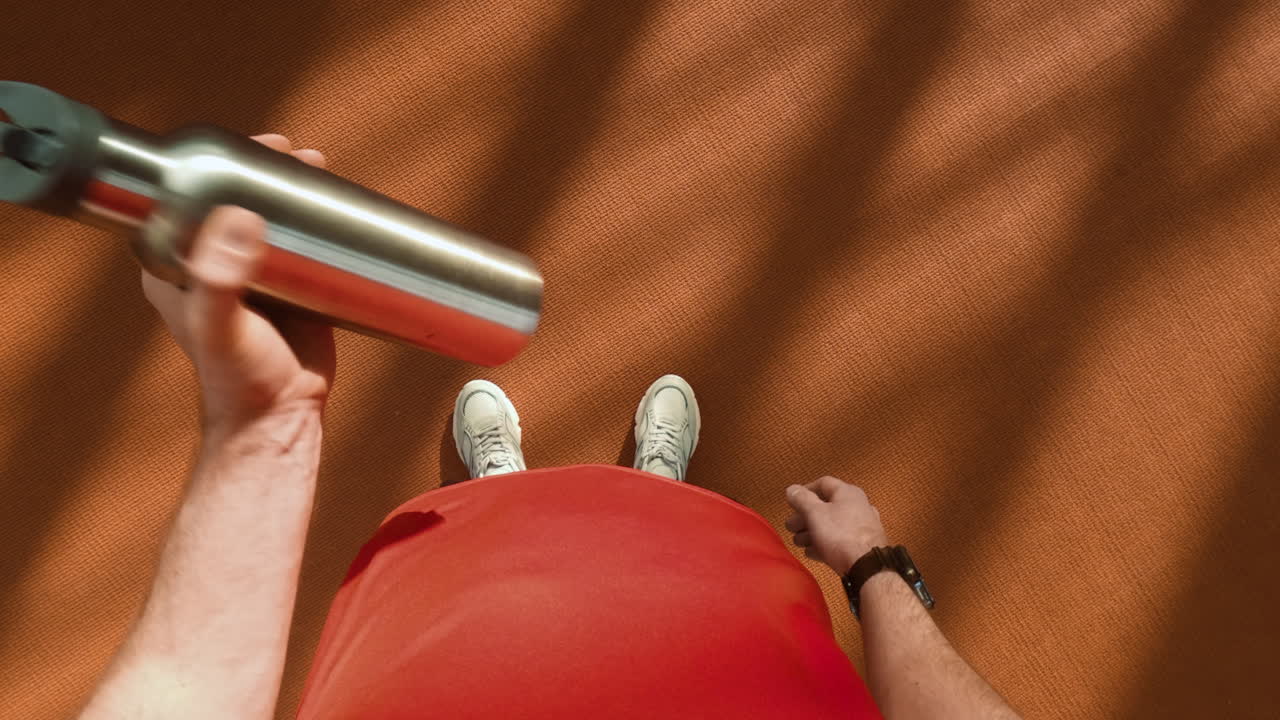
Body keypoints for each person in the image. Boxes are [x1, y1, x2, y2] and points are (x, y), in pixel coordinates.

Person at [77, 135, 1020, 720]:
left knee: (477, 570)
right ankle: (654, 495)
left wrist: (263, 432)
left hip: (444, 649)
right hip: (722, 638)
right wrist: (869, 566)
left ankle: (501, 498)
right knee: (674, 561)